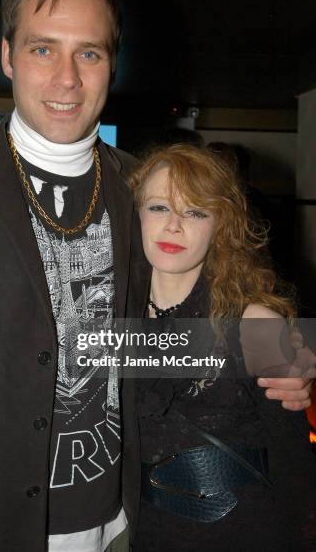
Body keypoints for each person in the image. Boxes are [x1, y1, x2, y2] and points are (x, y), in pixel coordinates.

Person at [0, 0, 311, 552]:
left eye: (89, 53)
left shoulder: (139, 189)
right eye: (43, 49)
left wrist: (279, 352)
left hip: (122, 523)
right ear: (7, 56)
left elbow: (159, 326)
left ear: (111, 65)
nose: (67, 78)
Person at [129, 144, 316, 551]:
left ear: (220, 226)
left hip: (244, 534)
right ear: (136, 216)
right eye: (159, 207)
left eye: (196, 211)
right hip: (143, 533)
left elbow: (296, 469)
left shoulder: (258, 325)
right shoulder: (110, 318)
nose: (174, 226)